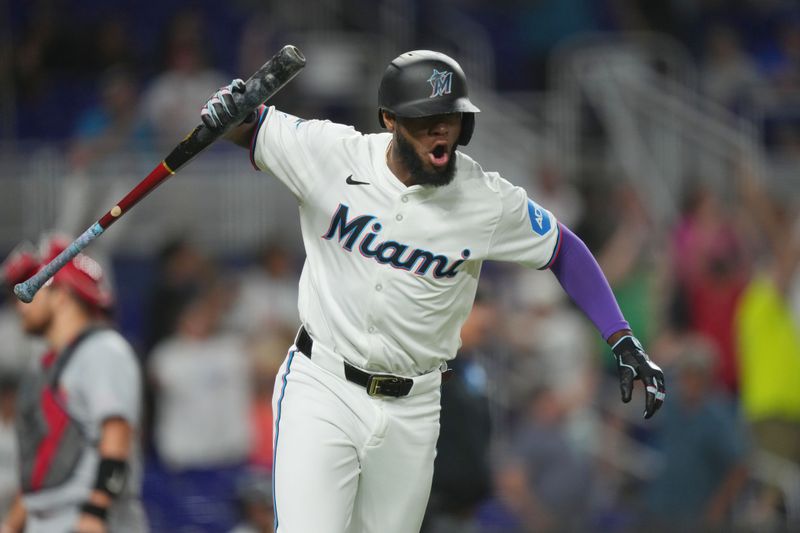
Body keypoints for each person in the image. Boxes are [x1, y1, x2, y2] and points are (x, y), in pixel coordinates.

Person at [200, 49, 666, 533]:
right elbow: (247, 126)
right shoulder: (330, 152)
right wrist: (226, 110)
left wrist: (621, 337)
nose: (441, 129)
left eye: (451, 118)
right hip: (324, 386)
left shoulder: (486, 199)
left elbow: (563, 249)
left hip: (414, 405)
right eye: (426, 119)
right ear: (390, 120)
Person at [0, 235, 146, 533]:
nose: (20, 304)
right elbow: (40, 462)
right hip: (45, 520)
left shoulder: (102, 349)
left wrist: (95, 511)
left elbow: (116, 435)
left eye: (32, 285)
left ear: (61, 294)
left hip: (88, 518)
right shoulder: (43, 366)